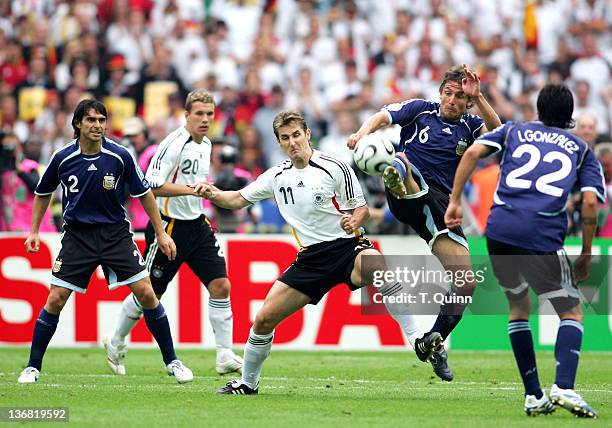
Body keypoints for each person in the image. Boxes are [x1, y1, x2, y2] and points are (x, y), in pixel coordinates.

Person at [195, 111, 425, 395]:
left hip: (346, 247)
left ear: (307, 134)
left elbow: (361, 208)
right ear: (279, 143)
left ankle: (417, 339)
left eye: (296, 135)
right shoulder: (277, 176)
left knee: (378, 266)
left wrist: (354, 220)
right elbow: (238, 198)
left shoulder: (335, 166)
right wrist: (212, 193)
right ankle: (248, 383)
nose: (292, 142)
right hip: (310, 260)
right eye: (285, 138)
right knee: (264, 320)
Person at [445, 84, 603, 418]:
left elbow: (472, 153)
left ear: (538, 109)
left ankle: (533, 396)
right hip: (541, 236)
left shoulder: (514, 130)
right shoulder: (582, 149)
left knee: (518, 307)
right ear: (570, 116)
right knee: (571, 312)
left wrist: (455, 200)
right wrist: (586, 251)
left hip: (499, 232)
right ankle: (564, 386)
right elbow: (590, 203)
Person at [17, 99, 193, 384]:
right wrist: (34, 231)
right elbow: (43, 192)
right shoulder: (63, 158)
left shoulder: (120, 155)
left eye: (101, 120)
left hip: (115, 235)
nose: (97, 125)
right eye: (91, 120)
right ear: (77, 124)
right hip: (78, 237)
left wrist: (161, 233)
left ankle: (173, 362)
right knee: (55, 298)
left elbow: (145, 194)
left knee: (147, 294)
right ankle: (32, 367)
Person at [346, 64, 502, 380]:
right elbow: (383, 116)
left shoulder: (471, 125)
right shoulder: (420, 111)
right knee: (402, 161)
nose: (453, 100)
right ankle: (395, 177)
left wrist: (480, 97)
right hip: (409, 193)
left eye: (460, 97)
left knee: (466, 282)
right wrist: (362, 134)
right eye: (448, 93)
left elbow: (498, 131)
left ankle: (433, 341)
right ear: (440, 91)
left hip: (443, 207)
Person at [104, 90, 243, 376]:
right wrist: (191, 192)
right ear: (187, 115)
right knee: (150, 293)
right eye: (199, 114)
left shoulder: (206, 144)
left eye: (209, 114)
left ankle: (224, 353)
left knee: (221, 285)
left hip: (197, 224)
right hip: (168, 226)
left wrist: (204, 193)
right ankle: (115, 339)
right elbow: (150, 185)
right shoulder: (173, 144)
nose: (205, 119)